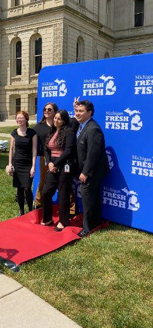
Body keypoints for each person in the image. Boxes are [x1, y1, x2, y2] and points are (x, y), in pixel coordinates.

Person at [74, 100, 106, 237]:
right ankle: (96, 221)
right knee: (92, 197)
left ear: (90, 113)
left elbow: (93, 153)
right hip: (88, 170)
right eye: (76, 110)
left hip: (92, 172)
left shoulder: (93, 129)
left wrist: (86, 172)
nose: (77, 113)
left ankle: (87, 228)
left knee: (86, 196)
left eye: (81, 111)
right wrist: (75, 107)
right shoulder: (83, 125)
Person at [38, 109, 75, 230]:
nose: (56, 120)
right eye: (55, 118)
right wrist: (49, 162)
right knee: (46, 192)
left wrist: (56, 163)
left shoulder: (69, 131)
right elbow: (47, 149)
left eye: (59, 118)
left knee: (63, 194)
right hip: (52, 164)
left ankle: (63, 221)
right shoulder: (52, 131)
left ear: (64, 121)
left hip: (65, 165)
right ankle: (47, 218)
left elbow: (68, 151)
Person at [7, 111, 38, 215]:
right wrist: (10, 164)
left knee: (27, 188)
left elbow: (34, 151)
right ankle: (21, 211)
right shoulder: (14, 132)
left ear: (26, 119)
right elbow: (11, 149)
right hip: (17, 163)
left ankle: (30, 210)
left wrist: (33, 166)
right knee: (19, 188)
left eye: (21, 118)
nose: (19, 120)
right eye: (17, 118)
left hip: (28, 164)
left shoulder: (32, 133)